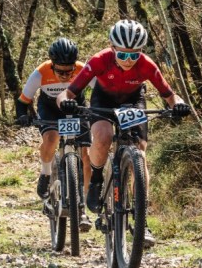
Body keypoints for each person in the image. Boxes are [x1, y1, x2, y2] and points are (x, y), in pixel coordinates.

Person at [56, 19, 191, 247]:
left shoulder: (147, 65)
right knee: (103, 137)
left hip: (133, 101)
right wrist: (65, 103)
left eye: (134, 55)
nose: (129, 60)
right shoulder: (99, 60)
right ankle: (97, 178)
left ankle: (141, 218)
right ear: (112, 48)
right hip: (103, 100)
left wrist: (179, 104)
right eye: (123, 55)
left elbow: (170, 95)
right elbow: (67, 93)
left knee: (140, 152)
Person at [16, 38, 92, 232]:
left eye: (69, 71)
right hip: (50, 108)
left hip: (76, 107)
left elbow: (101, 89)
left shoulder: (83, 69)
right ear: (52, 65)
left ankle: (83, 206)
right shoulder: (41, 72)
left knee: (86, 154)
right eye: (60, 72)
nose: (65, 76)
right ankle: (46, 172)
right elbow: (23, 100)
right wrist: (22, 116)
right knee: (51, 139)